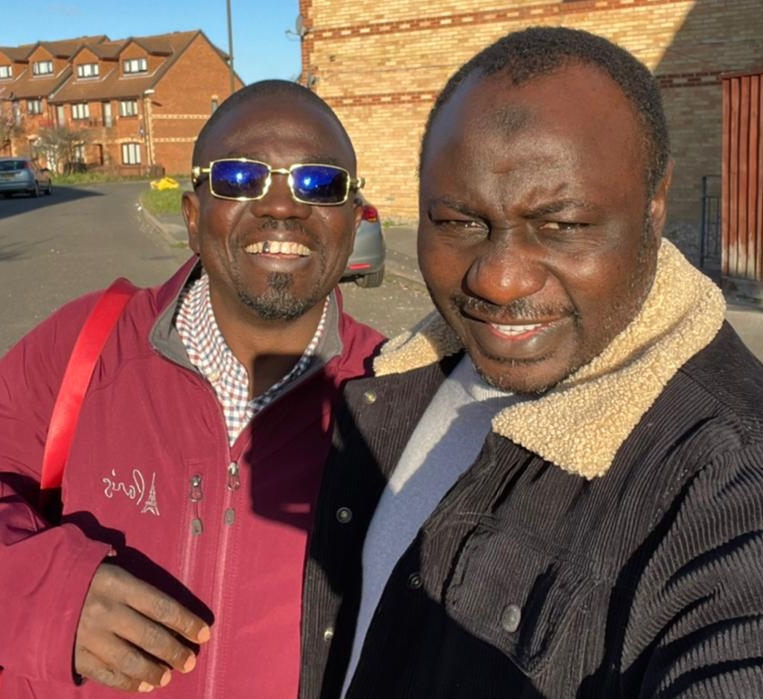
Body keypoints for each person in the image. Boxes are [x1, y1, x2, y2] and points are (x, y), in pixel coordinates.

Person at [297, 27, 763, 698]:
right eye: (459, 222)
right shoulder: (407, 376)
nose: (499, 279)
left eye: (563, 225)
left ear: (652, 205)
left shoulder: (727, 475)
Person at [0, 80, 384, 697]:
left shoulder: (393, 395)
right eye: (238, 178)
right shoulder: (84, 345)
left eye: (319, 182)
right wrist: (40, 597)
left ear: (353, 217)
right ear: (190, 217)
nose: (281, 206)